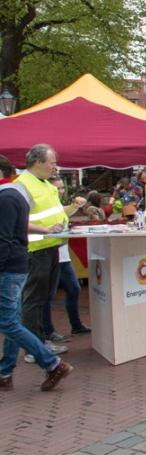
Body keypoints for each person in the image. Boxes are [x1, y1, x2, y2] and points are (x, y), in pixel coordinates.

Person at [0, 154, 73, 392]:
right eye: (51, 161)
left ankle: (51, 363)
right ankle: (6, 371)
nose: (54, 165)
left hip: (14, 264)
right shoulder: (16, 192)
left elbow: (4, 238)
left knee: (10, 321)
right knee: (12, 318)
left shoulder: (8, 196)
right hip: (25, 258)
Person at [11, 145, 76, 359]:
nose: (55, 166)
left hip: (50, 247)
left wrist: (72, 210)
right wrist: (46, 230)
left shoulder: (45, 184)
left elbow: (54, 214)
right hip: (36, 250)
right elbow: (17, 219)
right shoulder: (22, 185)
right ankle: (33, 348)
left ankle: (39, 341)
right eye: (52, 161)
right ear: (38, 162)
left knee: (44, 297)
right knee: (33, 299)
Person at [40, 177, 91, 344]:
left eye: (62, 188)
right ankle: (48, 331)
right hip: (52, 255)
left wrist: (75, 206)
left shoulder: (57, 207)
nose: (60, 191)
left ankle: (75, 326)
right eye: (58, 188)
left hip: (63, 256)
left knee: (74, 289)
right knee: (48, 295)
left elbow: (64, 213)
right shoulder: (47, 206)